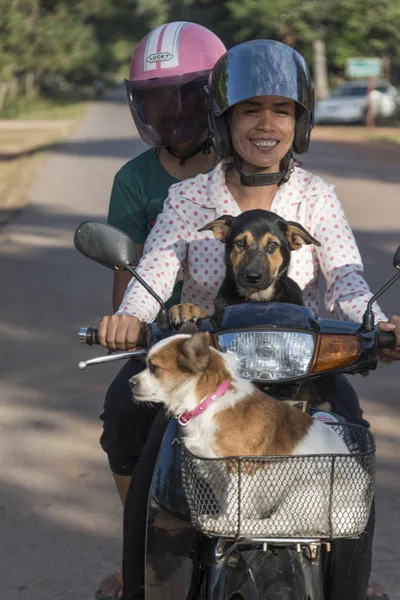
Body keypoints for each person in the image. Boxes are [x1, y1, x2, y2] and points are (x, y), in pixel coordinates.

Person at [99, 40, 400, 599]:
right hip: (206, 367)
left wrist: (381, 325)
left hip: (303, 367)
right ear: (225, 120)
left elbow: (348, 279)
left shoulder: (317, 197)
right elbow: (158, 268)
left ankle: (350, 586)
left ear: (298, 122)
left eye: (281, 110)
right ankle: (143, 577)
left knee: (351, 452)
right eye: (250, 110)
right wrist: (129, 316)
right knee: (128, 419)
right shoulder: (190, 199)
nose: (266, 124)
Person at [96, 21, 226, 600]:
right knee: (123, 413)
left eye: (183, 95)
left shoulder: (243, 162)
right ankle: (143, 546)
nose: (169, 112)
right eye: (154, 98)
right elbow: (128, 276)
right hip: (170, 344)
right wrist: (125, 326)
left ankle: (337, 552)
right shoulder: (135, 179)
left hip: (255, 336)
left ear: (215, 95)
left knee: (334, 430)